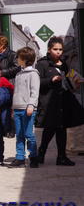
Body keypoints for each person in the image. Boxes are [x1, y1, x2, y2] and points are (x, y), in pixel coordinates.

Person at [36, 37, 82, 167]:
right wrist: (51, 80)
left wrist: (75, 83)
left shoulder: (64, 63)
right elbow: (37, 82)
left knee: (62, 128)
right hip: (50, 102)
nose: (58, 52)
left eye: (60, 49)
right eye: (55, 49)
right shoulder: (42, 64)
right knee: (50, 128)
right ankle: (41, 153)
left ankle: (61, 157)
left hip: (64, 100)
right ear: (49, 50)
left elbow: (68, 80)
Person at [8, 47, 40, 168]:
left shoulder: (33, 74)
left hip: (28, 109)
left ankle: (33, 156)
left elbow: (34, 91)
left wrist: (31, 105)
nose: (17, 59)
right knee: (19, 134)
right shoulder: (18, 74)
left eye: (19, 58)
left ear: (25, 59)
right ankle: (20, 157)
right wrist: (13, 108)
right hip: (17, 108)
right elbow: (16, 92)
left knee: (28, 134)